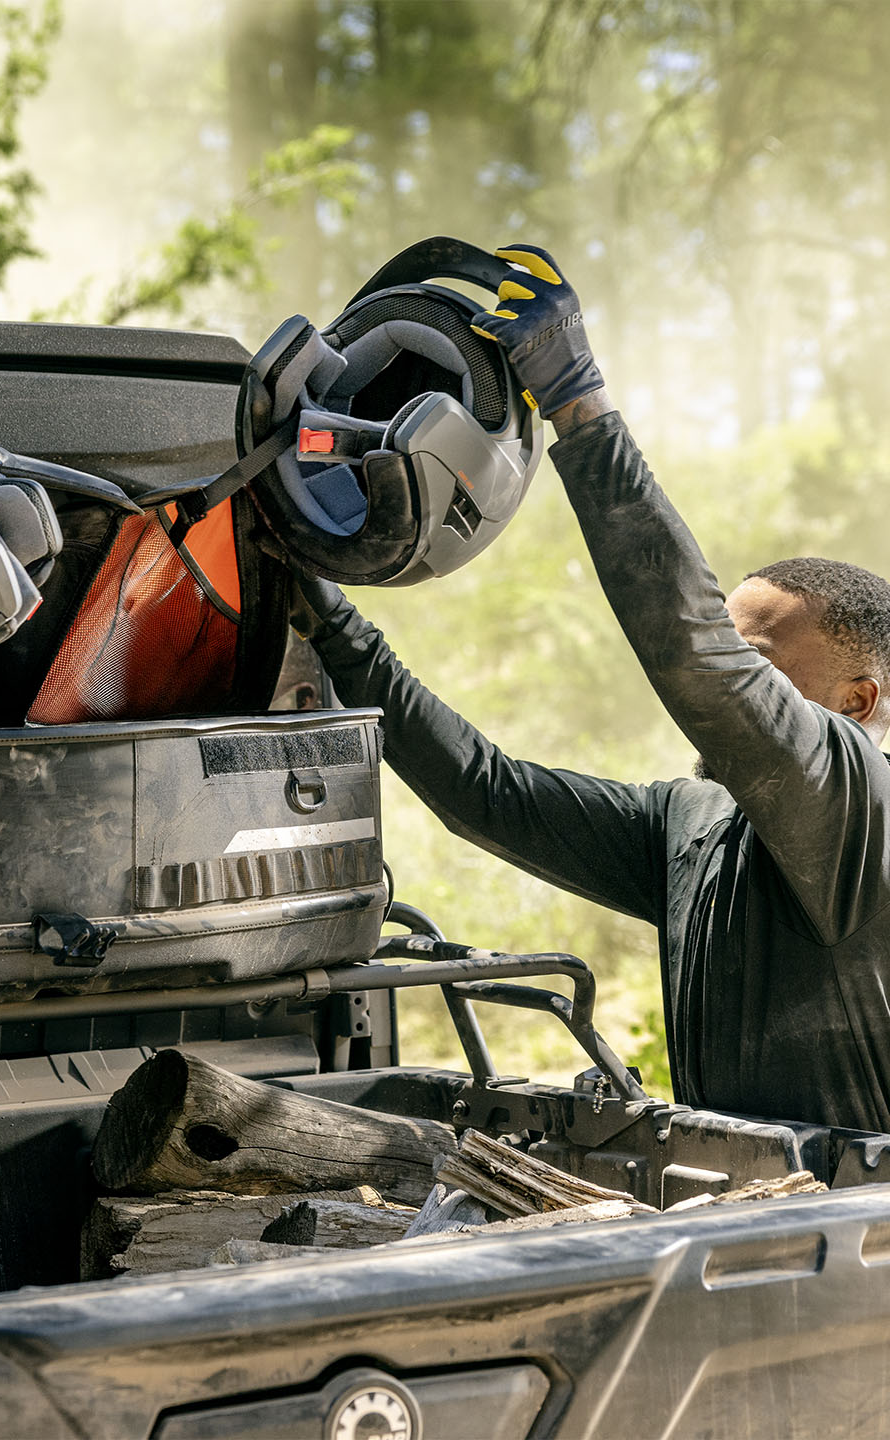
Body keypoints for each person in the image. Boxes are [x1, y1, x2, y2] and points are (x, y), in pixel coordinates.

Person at [292, 242, 890, 1135]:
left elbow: (695, 660)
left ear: (856, 703)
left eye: (754, 660)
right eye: (728, 641)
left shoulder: (857, 808)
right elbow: (484, 794)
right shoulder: (690, 824)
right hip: (739, 1226)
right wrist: (331, 622)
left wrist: (579, 406)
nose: (730, 675)